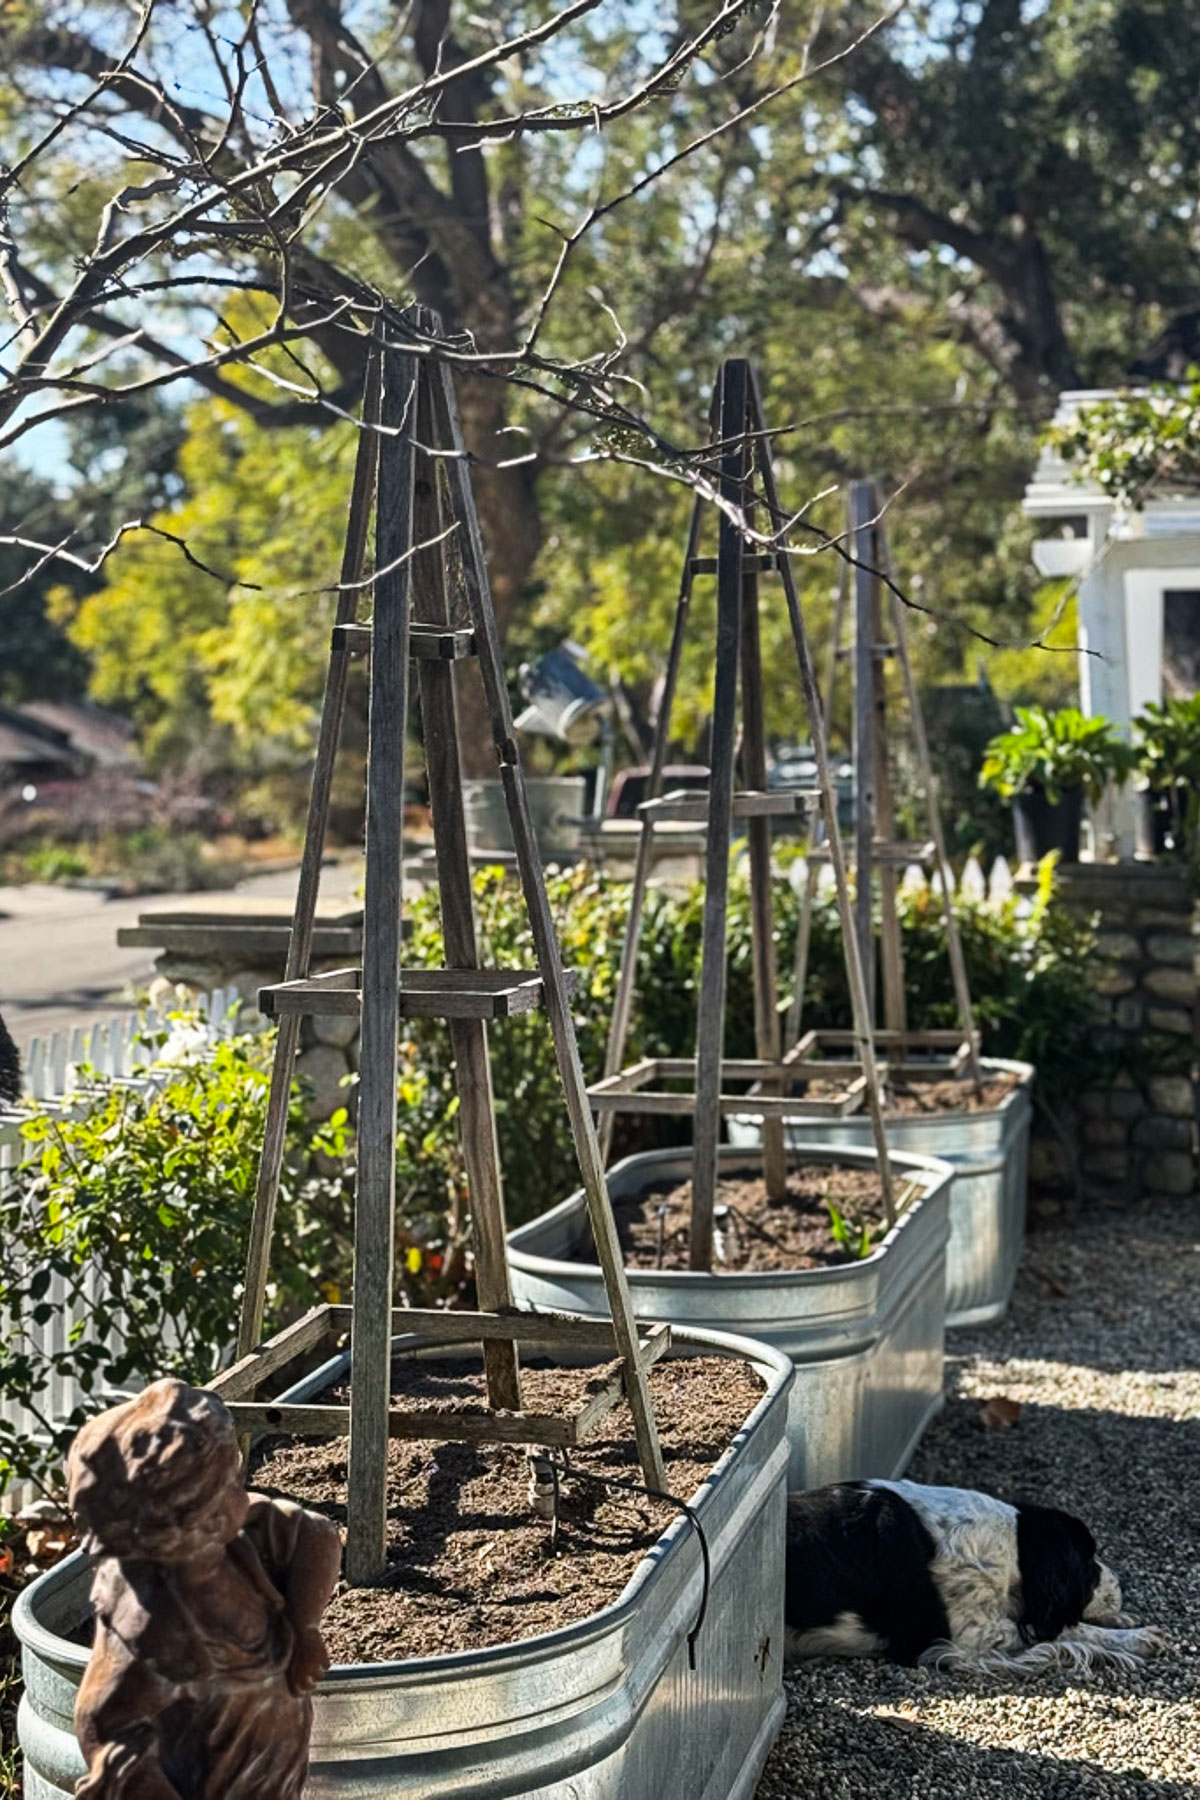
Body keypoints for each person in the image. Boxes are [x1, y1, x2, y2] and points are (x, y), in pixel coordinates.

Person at [68, 1378, 342, 1800]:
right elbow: (101, 1722)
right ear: (201, 1521)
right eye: (232, 1483)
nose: (243, 1492)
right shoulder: (150, 1628)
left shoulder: (243, 1542)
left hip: (273, 1779)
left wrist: (304, 1627)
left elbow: (316, 1534)